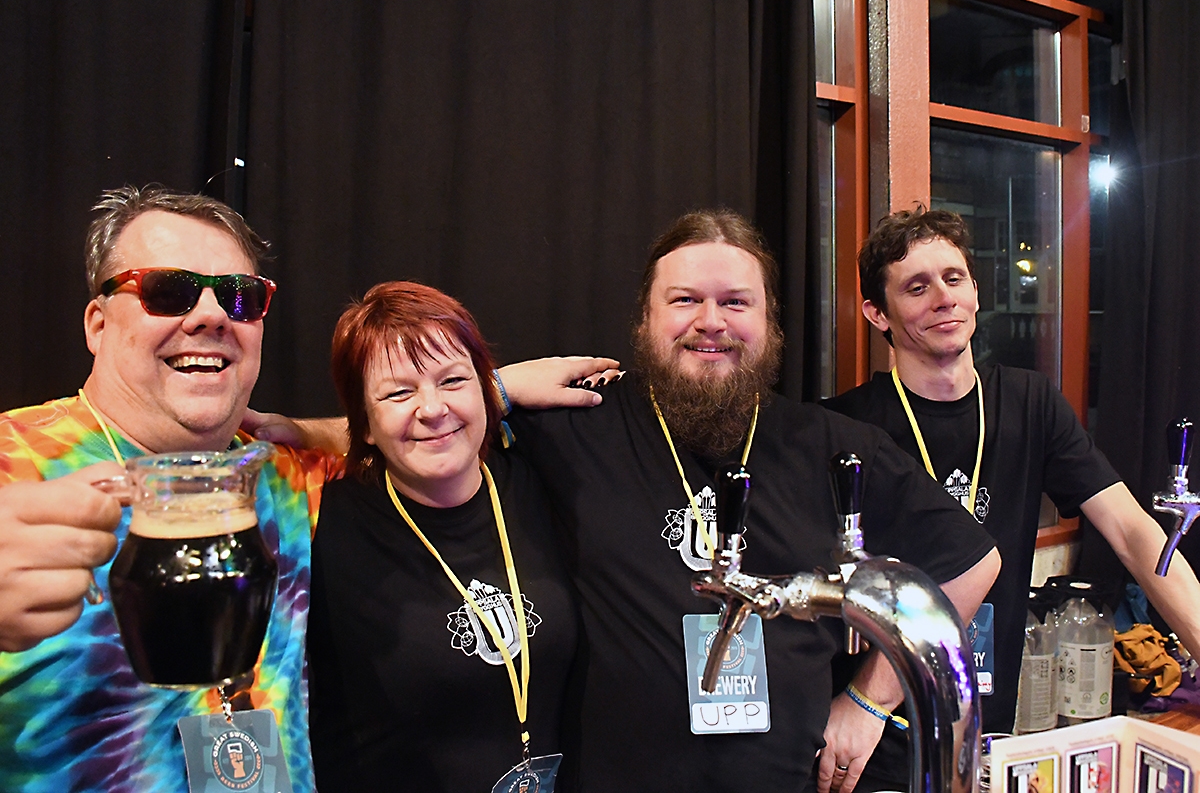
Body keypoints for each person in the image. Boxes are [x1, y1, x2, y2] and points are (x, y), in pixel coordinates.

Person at [0, 185, 615, 793]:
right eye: (168, 291)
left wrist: (491, 390)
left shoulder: (289, 478)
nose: (211, 315)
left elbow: (398, 432)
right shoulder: (14, 464)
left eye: (239, 297)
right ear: (98, 323)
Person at [504, 209, 1002, 791]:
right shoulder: (578, 426)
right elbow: (425, 430)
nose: (710, 322)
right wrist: (499, 389)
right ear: (645, 317)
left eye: (736, 303)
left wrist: (868, 702)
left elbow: (972, 563)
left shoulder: (832, 445)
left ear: (769, 321)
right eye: (685, 300)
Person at [822, 207, 1200, 792]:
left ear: (976, 290)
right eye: (916, 288)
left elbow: (1132, 531)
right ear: (877, 313)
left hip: (985, 731)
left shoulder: (1030, 403)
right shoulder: (845, 426)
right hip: (872, 740)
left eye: (954, 278)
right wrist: (862, 704)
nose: (943, 299)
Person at [306, 282, 579, 791]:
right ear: (363, 425)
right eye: (398, 392)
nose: (432, 409)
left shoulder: (543, 482)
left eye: (452, 380)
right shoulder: (320, 523)